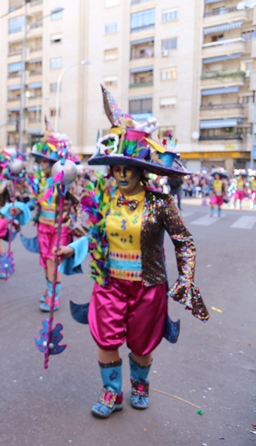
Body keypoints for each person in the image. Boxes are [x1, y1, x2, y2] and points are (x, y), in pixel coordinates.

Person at [55, 87, 209, 419]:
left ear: (141, 169)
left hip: (148, 286)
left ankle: (140, 384)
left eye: (128, 167)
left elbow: (184, 242)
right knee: (106, 339)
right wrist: (71, 247)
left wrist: (186, 277)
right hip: (109, 283)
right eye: (116, 168)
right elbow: (95, 235)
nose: (121, 174)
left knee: (141, 345)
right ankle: (112, 391)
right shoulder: (104, 199)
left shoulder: (161, 203)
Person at [28, 129, 79, 312]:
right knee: (45, 262)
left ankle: (54, 297)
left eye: (45, 161)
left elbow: (78, 204)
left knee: (52, 261)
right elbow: (36, 203)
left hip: (60, 230)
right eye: (40, 161)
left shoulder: (66, 181)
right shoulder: (42, 182)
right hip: (43, 227)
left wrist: (71, 219)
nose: (42, 165)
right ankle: (49, 290)